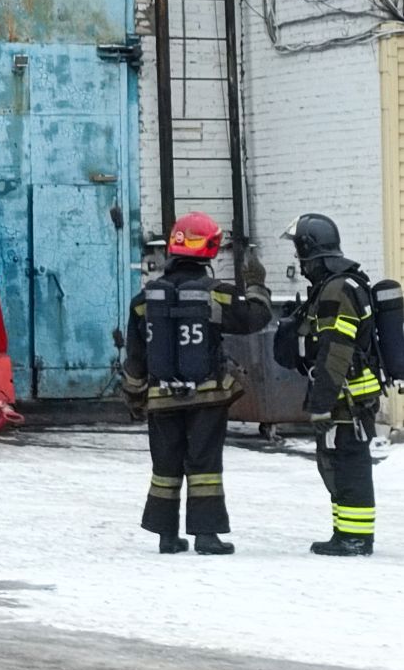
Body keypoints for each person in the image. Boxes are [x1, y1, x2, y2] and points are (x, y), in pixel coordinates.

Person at [120, 211, 271, 555]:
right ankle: (206, 535)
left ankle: (166, 536)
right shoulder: (216, 294)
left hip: (161, 400)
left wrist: (134, 396)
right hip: (207, 397)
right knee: (204, 465)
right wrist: (257, 283)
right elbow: (255, 319)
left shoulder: (144, 301)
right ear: (211, 249)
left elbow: (135, 357)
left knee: (165, 467)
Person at [279, 213, 382, 556]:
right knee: (338, 460)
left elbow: (336, 351)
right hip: (347, 393)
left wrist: (322, 401)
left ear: (311, 250)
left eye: (300, 252)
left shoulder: (338, 290)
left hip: (347, 396)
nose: (300, 262)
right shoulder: (340, 284)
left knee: (349, 463)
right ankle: (345, 532)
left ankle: (354, 537)